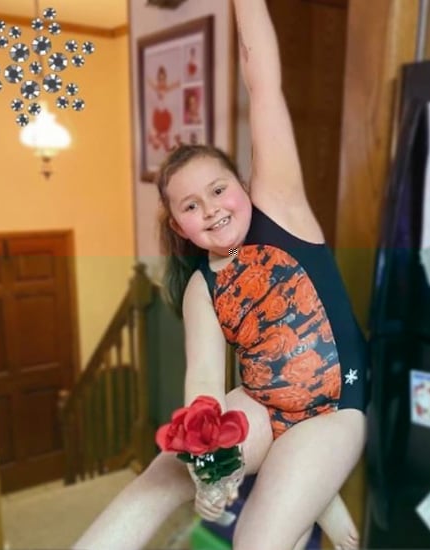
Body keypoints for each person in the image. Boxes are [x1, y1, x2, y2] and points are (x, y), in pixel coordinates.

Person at [73, 1, 368, 549]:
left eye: (217, 189)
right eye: (189, 206)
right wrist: (212, 472)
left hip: (329, 410)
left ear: (243, 182)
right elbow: (205, 383)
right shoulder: (200, 288)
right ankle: (311, 495)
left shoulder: (280, 206)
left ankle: (314, 491)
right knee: (160, 477)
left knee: (254, 541)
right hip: (259, 406)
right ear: (179, 226)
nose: (209, 209)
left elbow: (263, 86)